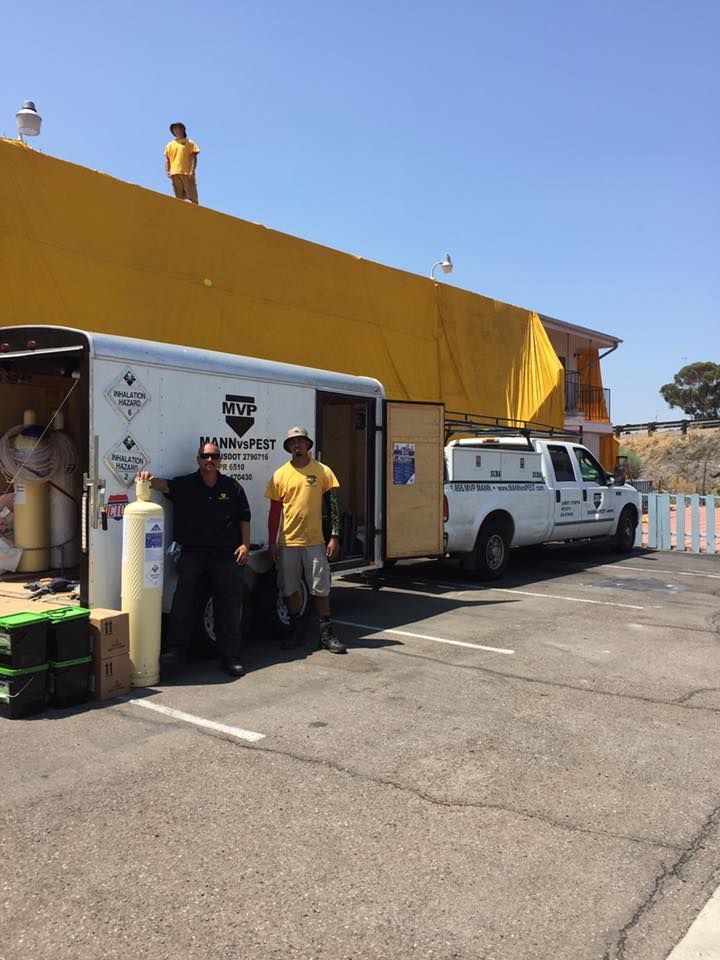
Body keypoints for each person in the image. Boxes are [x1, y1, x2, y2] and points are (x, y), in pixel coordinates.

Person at [137, 442, 250, 678]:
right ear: (198, 460)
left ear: (220, 460)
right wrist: (147, 477)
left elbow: (244, 516)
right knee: (183, 603)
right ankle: (177, 652)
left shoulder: (232, 487)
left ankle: (231, 656)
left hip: (225, 554)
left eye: (214, 456)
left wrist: (245, 545)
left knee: (228, 606)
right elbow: (164, 485)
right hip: (192, 553)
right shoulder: (186, 484)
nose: (210, 460)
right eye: (205, 456)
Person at [265, 427, 346, 654]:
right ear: (289, 447)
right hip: (288, 542)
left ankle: (326, 635)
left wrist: (334, 536)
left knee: (321, 589)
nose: (297, 445)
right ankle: (296, 631)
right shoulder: (280, 474)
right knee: (290, 589)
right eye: (293, 442)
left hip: (315, 541)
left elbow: (333, 507)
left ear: (308, 445)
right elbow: (274, 513)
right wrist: (273, 542)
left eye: (301, 441)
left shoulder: (322, 471)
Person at [164, 122, 200, 204]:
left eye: (178, 128)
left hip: (186, 172)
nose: (176, 130)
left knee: (192, 196)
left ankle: (194, 211)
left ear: (183, 129)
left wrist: (192, 170)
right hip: (174, 172)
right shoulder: (170, 145)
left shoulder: (189, 142)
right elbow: (167, 159)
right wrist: (167, 171)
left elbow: (194, 157)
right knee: (179, 198)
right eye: (174, 129)